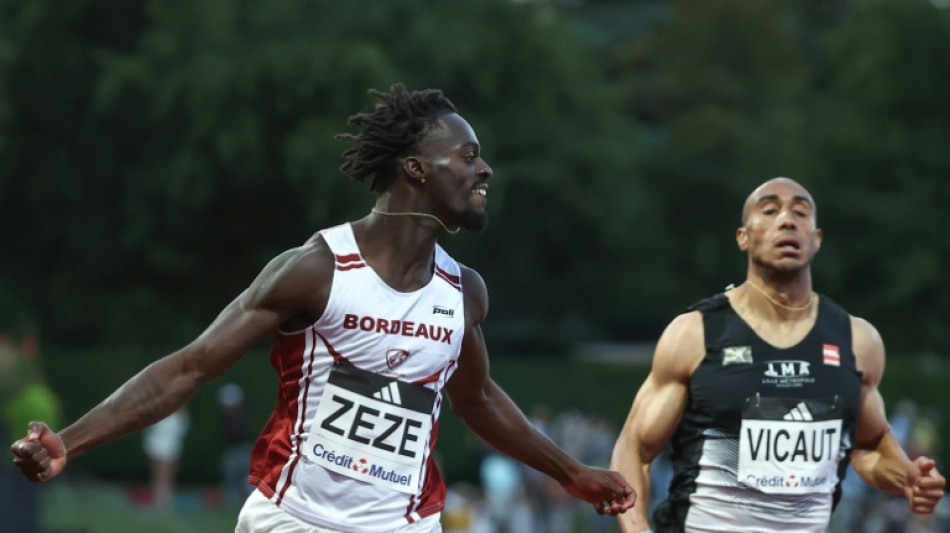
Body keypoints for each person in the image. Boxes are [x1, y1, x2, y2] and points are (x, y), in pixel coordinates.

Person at [10, 83, 635, 532]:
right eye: (468, 156)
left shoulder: (463, 291)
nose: (485, 169)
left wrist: (569, 472)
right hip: (295, 519)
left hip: (406, 522)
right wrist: (71, 441)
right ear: (416, 169)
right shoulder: (316, 269)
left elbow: (477, 399)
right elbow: (190, 368)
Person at [610, 177, 945, 533]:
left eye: (801, 213)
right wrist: (637, 529)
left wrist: (907, 476)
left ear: (816, 240)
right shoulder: (696, 333)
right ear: (743, 236)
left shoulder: (857, 340)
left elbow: (869, 446)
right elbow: (634, 448)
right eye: (770, 210)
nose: (787, 220)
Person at [143, 407, 190, 509]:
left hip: (171, 448)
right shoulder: (160, 411)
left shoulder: (180, 415)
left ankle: (165, 501)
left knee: (167, 476)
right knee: (157, 475)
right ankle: (158, 500)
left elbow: (183, 429)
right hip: (156, 445)